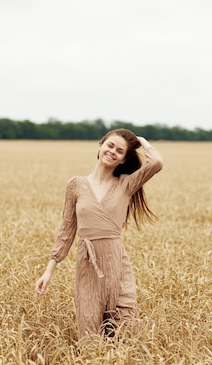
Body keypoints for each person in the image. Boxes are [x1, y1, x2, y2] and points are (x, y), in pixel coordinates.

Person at [34, 129, 164, 341]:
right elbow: (66, 231)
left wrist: (141, 142)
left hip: (117, 264)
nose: (113, 151)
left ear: (123, 160)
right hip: (88, 266)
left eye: (120, 151)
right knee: (90, 335)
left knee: (126, 332)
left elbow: (156, 163)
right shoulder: (76, 185)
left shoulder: (125, 184)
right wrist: (48, 271)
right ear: (100, 145)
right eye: (110, 145)